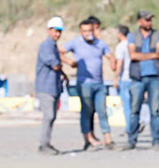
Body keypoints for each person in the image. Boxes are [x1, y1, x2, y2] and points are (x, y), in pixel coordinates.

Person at [62, 17, 114, 150]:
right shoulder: (75, 43)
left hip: (99, 83)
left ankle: (108, 139)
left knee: (102, 110)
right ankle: (88, 139)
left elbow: (109, 55)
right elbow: (59, 52)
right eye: (85, 31)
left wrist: (113, 62)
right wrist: (69, 62)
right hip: (84, 84)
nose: (88, 33)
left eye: (90, 30)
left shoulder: (100, 44)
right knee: (86, 111)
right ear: (81, 31)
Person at [126, 9, 159, 150]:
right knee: (134, 111)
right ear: (140, 21)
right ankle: (131, 140)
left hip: (154, 77)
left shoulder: (157, 35)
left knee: (155, 111)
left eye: (150, 19)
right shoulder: (132, 35)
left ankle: (156, 141)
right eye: (146, 19)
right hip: (138, 78)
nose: (149, 22)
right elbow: (133, 56)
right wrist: (152, 55)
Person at [36, 16, 66, 155]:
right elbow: (54, 64)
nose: (58, 34)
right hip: (46, 87)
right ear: (49, 30)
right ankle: (43, 145)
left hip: (53, 86)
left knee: (52, 116)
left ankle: (46, 143)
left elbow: (57, 66)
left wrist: (63, 73)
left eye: (59, 31)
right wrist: (63, 64)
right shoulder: (47, 45)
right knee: (49, 115)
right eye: (55, 31)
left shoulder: (53, 45)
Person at [113, 25, 133, 135]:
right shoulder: (132, 44)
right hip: (134, 78)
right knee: (133, 106)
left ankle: (129, 129)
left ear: (120, 34)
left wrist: (115, 78)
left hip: (125, 78)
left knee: (127, 106)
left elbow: (120, 64)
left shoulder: (120, 46)